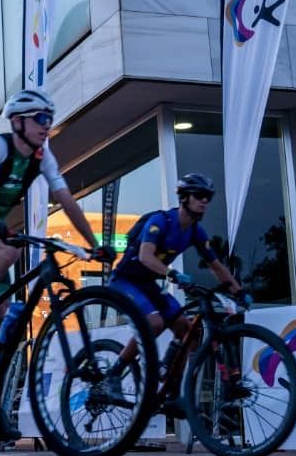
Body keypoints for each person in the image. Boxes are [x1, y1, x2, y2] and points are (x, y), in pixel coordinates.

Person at [0, 87, 103, 439]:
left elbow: (66, 198)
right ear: (18, 122)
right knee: (8, 252)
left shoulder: (42, 155)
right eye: (41, 119)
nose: (47, 125)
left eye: (50, 119)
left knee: (6, 322)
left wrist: (95, 245)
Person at [100, 173, 243, 404]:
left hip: (147, 284)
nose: (205, 201)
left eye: (208, 197)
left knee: (189, 331)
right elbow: (146, 256)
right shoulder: (160, 221)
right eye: (199, 196)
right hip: (124, 281)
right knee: (154, 323)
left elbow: (216, 266)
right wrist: (172, 273)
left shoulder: (196, 232)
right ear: (184, 198)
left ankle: (171, 389)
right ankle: (113, 374)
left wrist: (238, 291)